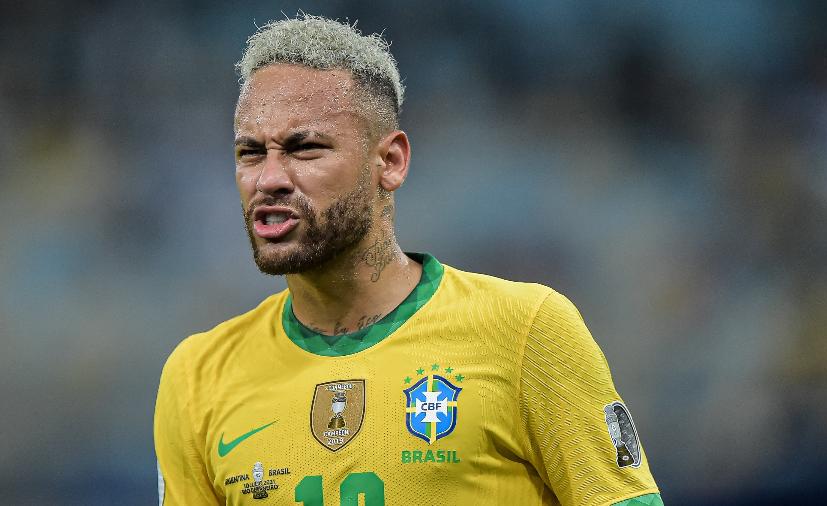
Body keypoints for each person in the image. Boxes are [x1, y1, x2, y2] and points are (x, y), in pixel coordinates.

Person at [154, 15, 663, 506]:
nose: (269, 179)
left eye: (305, 148)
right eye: (250, 153)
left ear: (390, 161)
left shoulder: (527, 330)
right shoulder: (197, 378)